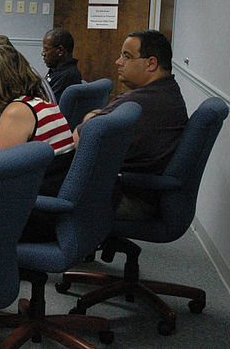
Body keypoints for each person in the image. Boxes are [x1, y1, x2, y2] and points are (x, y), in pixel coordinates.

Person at [73, 30, 187, 220]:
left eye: (126, 56)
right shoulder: (166, 92)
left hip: (130, 197)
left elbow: (79, 139)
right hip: (136, 189)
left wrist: (92, 117)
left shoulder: (141, 102)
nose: (118, 62)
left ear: (151, 63)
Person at [0, 44, 75, 197]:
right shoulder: (40, 104)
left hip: (32, 206)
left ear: (1, 85)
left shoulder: (18, 112)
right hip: (44, 195)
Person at [42, 27, 83, 102]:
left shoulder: (67, 76)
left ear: (60, 50)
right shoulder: (57, 70)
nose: (43, 53)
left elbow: (50, 105)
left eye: (46, 49)